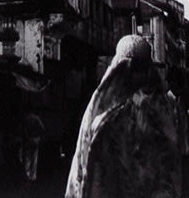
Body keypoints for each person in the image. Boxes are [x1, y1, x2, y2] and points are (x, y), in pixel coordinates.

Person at [65, 35, 182, 198]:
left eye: (143, 68)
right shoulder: (107, 117)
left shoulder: (157, 109)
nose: (141, 75)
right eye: (137, 69)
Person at [21, 111, 45, 182]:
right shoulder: (36, 118)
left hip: (28, 139)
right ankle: (33, 175)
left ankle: (27, 174)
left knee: (28, 157)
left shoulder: (26, 118)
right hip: (35, 139)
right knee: (34, 157)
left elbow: (23, 128)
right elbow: (42, 128)